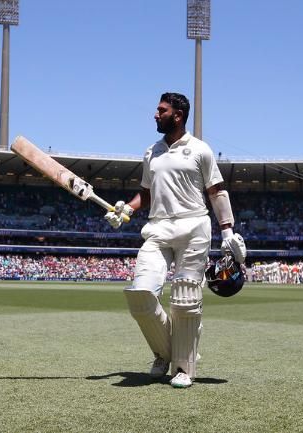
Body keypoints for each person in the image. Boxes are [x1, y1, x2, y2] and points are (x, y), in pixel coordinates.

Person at [105, 92, 246, 388]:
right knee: (141, 295)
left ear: (177, 115)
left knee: (185, 299)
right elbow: (146, 192)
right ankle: (165, 353)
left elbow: (217, 191)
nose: (155, 115)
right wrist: (126, 209)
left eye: (161, 110)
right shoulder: (151, 152)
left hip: (194, 226)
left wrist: (228, 230)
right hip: (157, 229)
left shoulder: (200, 150)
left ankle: (183, 367)